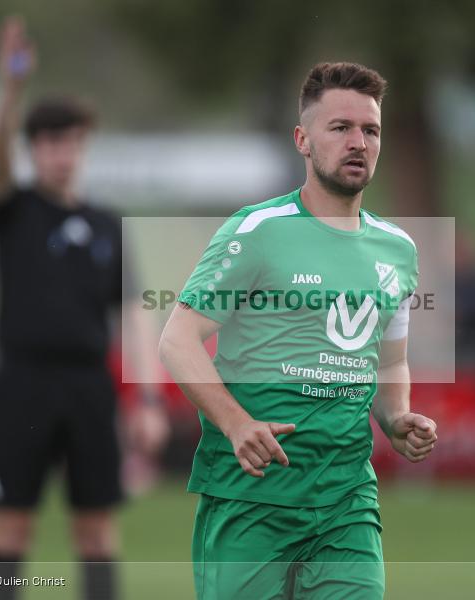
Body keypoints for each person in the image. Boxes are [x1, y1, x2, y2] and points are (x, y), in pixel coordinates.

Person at [159, 62, 438, 599]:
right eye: (340, 128)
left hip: (346, 500)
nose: (358, 142)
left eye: (371, 130)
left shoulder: (398, 249)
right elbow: (177, 339)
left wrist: (396, 415)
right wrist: (237, 424)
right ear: (303, 140)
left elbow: (388, 362)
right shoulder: (257, 231)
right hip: (252, 497)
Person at [0, 16, 166, 600]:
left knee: (97, 527)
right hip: (23, 381)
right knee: (11, 522)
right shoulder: (14, 209)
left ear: (83, 146)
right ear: (34, 149)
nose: (61, 153)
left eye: (71, 141)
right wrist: (11, 90)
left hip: (88, 386)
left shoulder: (107, 225)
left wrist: (148, 400)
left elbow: (135, 313)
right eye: (50, 143)